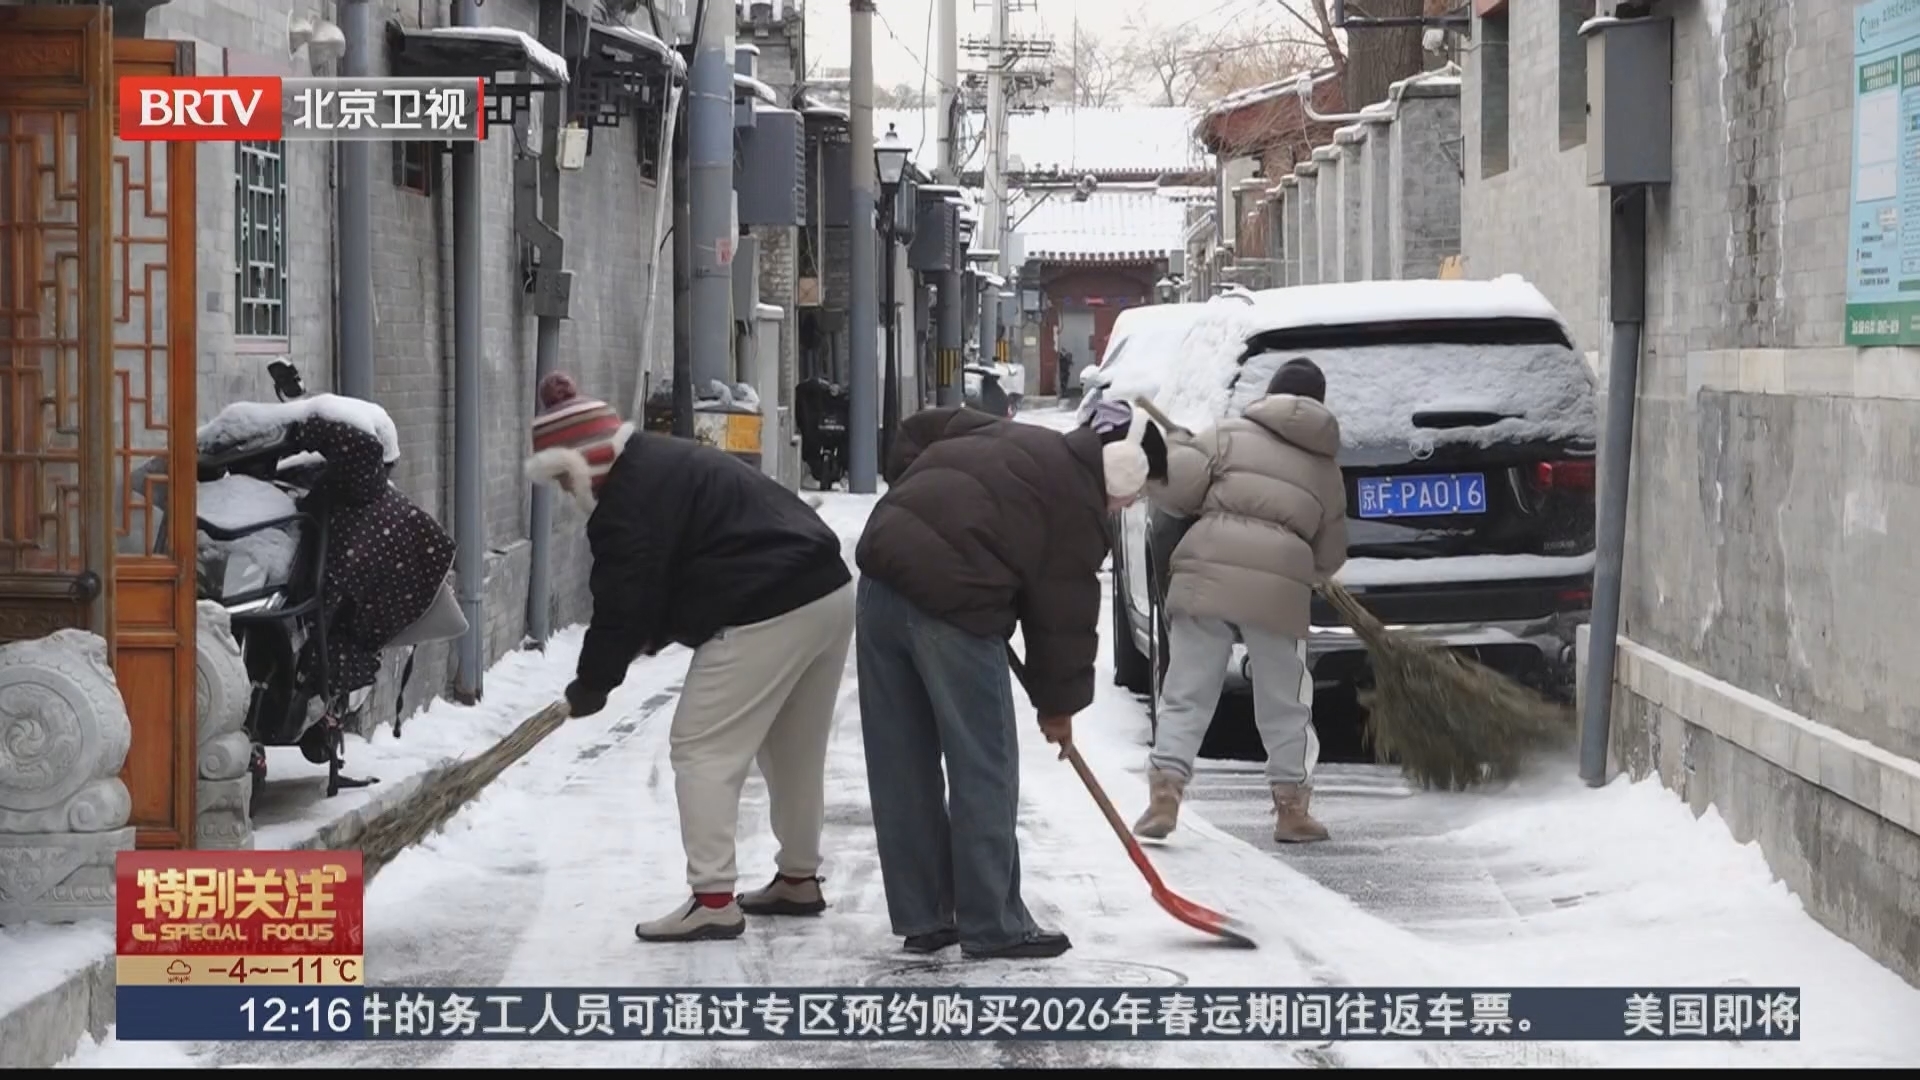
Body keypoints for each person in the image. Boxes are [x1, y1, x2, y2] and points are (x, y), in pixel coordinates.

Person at [523, 372, 855, 943]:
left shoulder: (627, 498)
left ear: (584, 461)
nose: (565, 493)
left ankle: (713, 899)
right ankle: (798, 878)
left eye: (561, 479)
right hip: (825, 591)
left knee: (701, 748)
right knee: (793, 747)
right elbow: (661, 579)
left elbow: (625, 599)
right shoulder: (663, 463)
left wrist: (593, 683)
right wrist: (631, 649)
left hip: (765, 604)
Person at [853, 399, 1164, 960]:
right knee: (984, 764)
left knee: (902, 762)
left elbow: (919, 428)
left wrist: (925, 501)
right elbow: (1061, 621)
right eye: (1134, 494)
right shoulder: (1080, 505)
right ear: (1123, 470)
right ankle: (993, 924)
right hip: (954, 602)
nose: (1127, 506)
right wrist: (1058, 708)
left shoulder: (1000, 431)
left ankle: (924, 917)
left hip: (879, 581)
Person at [1133, 357, 1348, 844]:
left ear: (1271, 395)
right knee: (1285, 701)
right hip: (1278, 589)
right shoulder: (1326, 470)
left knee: (1186, 691)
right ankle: (1292, 810)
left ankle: (1165, 795)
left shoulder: (1227, 433)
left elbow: (1173, 489)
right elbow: (1330, 553)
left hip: (1205, 571)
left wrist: (1176, 447)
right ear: (1319, 403)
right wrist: (1298, 572)